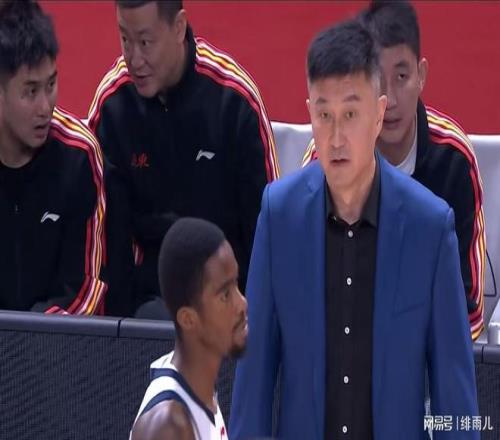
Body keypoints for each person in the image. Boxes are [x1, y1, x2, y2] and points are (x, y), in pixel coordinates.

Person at [229, 19, 479, 440]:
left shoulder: (430, 227)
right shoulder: (279, 215)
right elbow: (252, 386)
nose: (336, 137)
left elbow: (455, 398)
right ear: (309, 112)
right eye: (324, 114)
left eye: (350, 114)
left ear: (379, 114)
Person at [302, 0, 485, 340]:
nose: (392, 100)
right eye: (378, 80)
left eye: (402, 77)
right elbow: (307, 288)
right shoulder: (326, 158)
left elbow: (469, 307)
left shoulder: (454, 159)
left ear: (422, 75)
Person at [87, 0, 279, 318]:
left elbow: (267, 234)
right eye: (124, 39)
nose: (133, 59)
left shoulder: (234, 101)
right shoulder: (113, 105)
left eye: (145, 42)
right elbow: (106, 245)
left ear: (179, 28)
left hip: (230, 303)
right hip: (149, 307)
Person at [0, 0, 106, 313]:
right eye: (30, 91)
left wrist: (29, 336)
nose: (45, 107)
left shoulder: (79, 156)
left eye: (51, 85)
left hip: (55, 338)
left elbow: (84, 290)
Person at [130, 217, 248, 440]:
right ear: (188, 319)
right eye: (225, 295)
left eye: (236, 285)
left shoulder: (198, 385)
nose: (242, 303)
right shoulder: (168, 427)